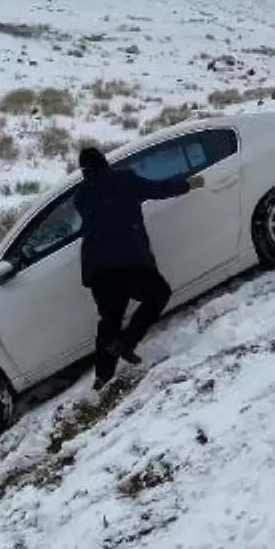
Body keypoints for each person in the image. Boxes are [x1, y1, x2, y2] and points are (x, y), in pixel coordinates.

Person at [73, 146, 206, 388]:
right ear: (104, 162)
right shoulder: (124, 179)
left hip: (98, 269)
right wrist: (188, 184)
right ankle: (127, 342)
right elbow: (158, 189)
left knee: (110, 320)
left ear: (83, 170)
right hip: (129, 260)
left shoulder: (80, 196)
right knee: (158, 294)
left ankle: (102, 377)